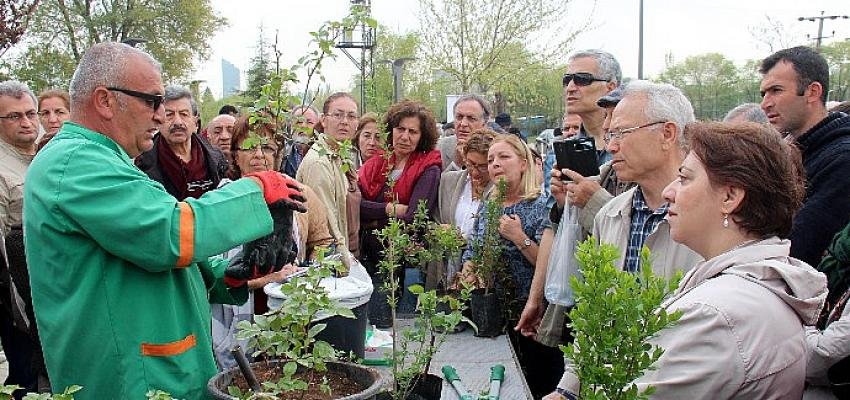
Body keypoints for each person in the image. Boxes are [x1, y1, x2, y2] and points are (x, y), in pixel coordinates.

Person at [23, 42, 306, 399]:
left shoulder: (108, 160)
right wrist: (258, 188)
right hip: (129, 377)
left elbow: (140, 249)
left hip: (153, 366)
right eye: (152, 101)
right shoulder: (75, 164)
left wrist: (226, 275)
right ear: (105, 100)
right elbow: (171, 231)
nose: (160, 115)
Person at [549, 121, 829, 399]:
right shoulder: (745, 289)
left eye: (684, 178)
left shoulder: (715, 315)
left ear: (730, 197)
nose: (670, 192)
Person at [211, 115, 333, 370]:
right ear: (234, 155)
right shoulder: (218, 202)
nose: (258, 154)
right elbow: (211, 274)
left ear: (278, 154)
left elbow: (322, 240)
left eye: (266, 147)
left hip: (287, 311)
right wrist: (264, 279)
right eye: (249, 146)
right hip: (239, 315)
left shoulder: (297, 194)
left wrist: (308, 272)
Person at [759, 46, 850, 267]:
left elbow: (798, 248)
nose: (765, 104)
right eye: (763, 94)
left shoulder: (842, 161)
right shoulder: (791, 154)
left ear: (813, 92)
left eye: (776, 91)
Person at [359, 100, 441, 313]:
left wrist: (371, 218)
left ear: (422, 136)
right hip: (365, 254)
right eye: (400, 129)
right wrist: (391, 209)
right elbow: (355, 207)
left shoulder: (429, 167)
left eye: (412, 131)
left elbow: (414, 218)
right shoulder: (376, 162)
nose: (405, 136)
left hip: (402, 263)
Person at [0, 80, 40, 397]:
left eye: (30, 113)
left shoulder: (44, 155)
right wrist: (22, 313)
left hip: (49, 287)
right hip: (19, 300)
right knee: (25, 379)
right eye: (14, 116)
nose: (26, 122)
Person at [296, 92, 361, 258]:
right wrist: (344, 260)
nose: (345, 121)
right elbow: (326, 223)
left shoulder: (340, 157)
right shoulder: (319, 162)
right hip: (329, 260)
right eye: (338, 115)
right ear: (323, 120)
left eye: (351, 116)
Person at [135, 85, 229, 200]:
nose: (177, 122)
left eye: (184, 114)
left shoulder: (217, 158)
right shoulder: (141, 164)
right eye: (169, 115)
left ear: (195, 120)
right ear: (158, 120)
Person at [436, 129, 496, 284]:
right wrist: (441, 231)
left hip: (482, 276)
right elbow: (433, 219)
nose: (475, 172)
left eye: (482, 167)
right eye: (470, 164)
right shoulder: (448, 181)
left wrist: (464, 240)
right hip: (446, 269)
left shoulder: (500, 190)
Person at [437, 94, 491, 171]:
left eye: (471, 118)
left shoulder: (497, 149)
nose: (463, 124)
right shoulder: (440, 147)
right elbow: (437, 182)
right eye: (459, 117)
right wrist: (457, 164)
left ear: (484, 123)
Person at [282, 105, 319, 177]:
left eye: (309, 122)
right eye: (299, 122)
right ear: (290, 126)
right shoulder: (283, 154)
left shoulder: (323, 155)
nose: (303, 126)